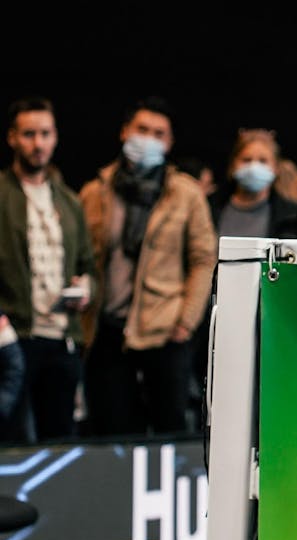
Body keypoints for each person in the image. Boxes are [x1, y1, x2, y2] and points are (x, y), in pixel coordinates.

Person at [78, 96, 217, 438]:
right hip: (107, 329)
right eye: (141, 129)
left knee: (171, 429)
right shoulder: (96, 191)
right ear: (125, 131)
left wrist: (186, 321)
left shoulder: (184, 193)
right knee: (113, 431)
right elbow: (84, 257)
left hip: (165, 329)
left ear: (168, 143)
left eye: (158, 133)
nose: (148, 139)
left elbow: (203, 258)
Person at [0, 96, 96, 443]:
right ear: (12, 137)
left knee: (60, 438)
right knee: (12, 437)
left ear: (55, 137)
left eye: (45, 133)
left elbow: (88, 266)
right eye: (28, 134)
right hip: (14, 337)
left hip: (61, 336)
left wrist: (85, 290)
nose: (38, 143)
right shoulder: (3, 193)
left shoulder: (68, 201)